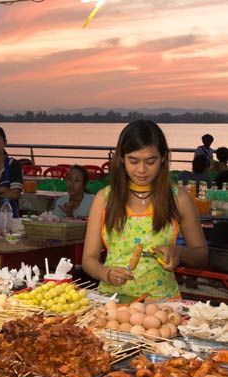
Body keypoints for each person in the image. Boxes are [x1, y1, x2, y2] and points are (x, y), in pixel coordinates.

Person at [82, 120, 208, 299]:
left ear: (163, 157)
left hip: (162, 303)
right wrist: (105, 273)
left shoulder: (178, 198)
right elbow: (88, 259)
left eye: (151, 161)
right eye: (133, 161)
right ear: (121, 159)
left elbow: (201, 255)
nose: (141, 170)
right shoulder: (104, 198)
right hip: (112, 302)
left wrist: (180, 252)